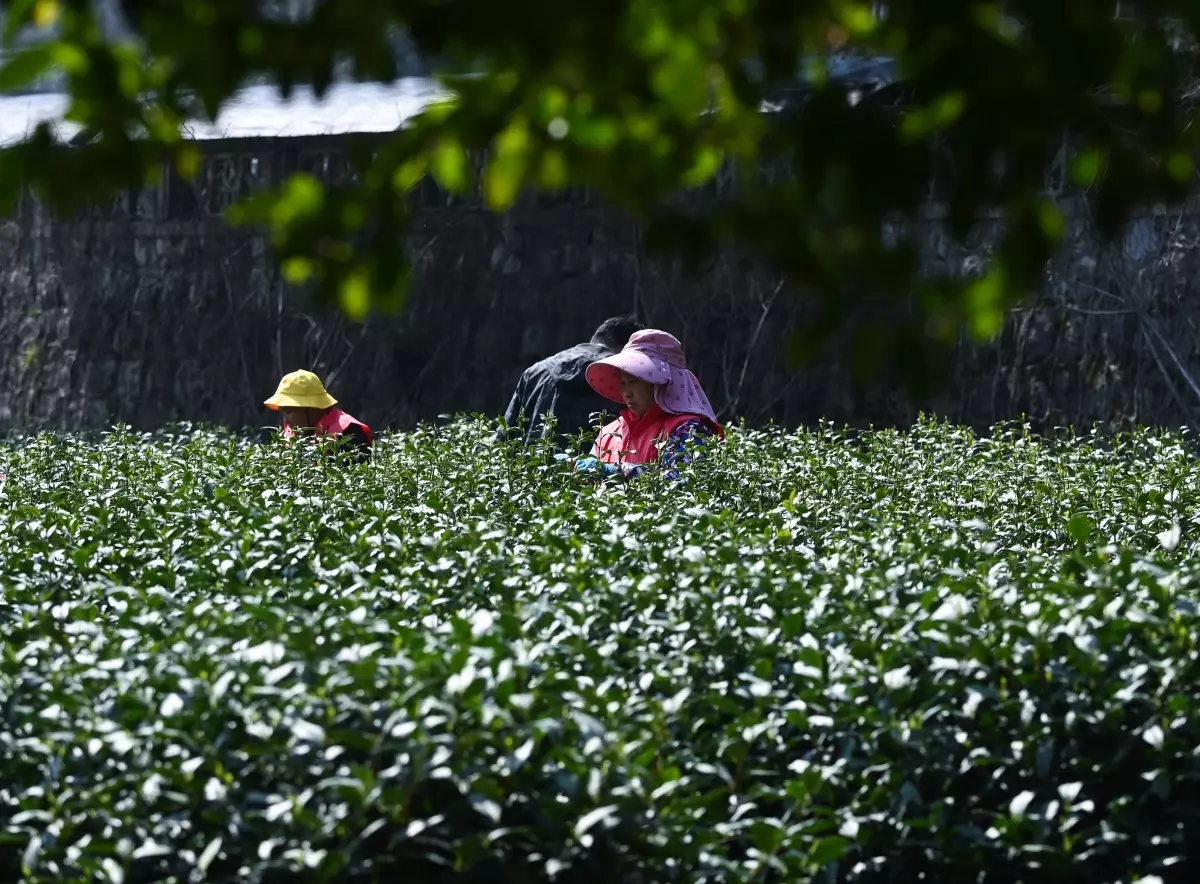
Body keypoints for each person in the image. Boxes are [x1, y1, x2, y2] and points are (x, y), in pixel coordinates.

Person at [576, 329, 724, 481]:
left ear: (661, 383)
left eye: (633, 381)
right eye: (623, 383)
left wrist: (617, 472)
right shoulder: (609, 432)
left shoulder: (688, 429)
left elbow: (682, 481)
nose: (627, 392)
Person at [500, 315, 644, 446]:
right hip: (594, 473)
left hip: (532, 472)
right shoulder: (625, 377)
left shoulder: (534, 372)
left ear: (596, 339)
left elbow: (504, 438)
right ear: (629, 349)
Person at [264, 369, 373, 461]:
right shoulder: (296, 432)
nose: (286, 420)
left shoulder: (350, 433)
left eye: (288, 412)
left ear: (312, 407)